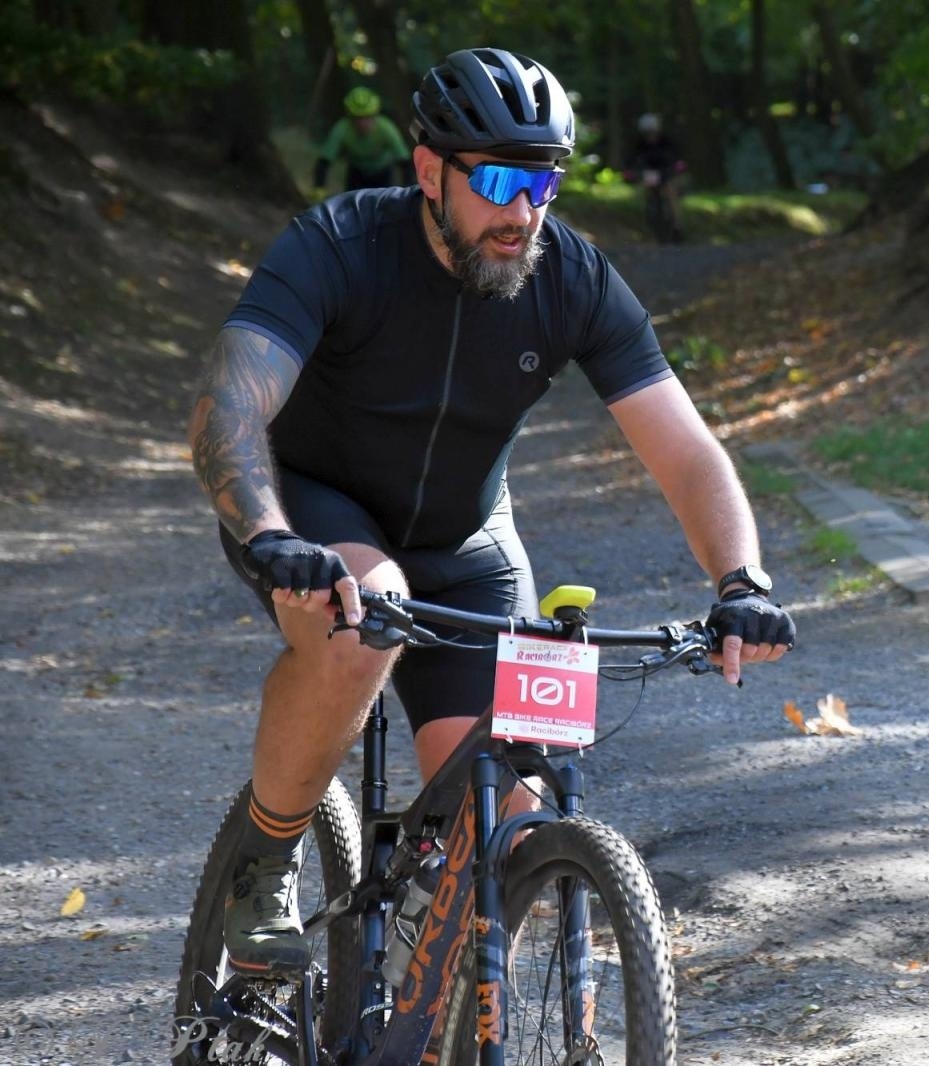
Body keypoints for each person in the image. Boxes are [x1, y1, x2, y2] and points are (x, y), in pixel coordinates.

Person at [186, 47, 796, 976]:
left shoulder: (572, 277)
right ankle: (267, 856)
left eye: (545, 180)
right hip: (317, 510)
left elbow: (685, 449)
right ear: (429, 170)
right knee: (364, 620)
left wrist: (741, 579)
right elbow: (229, 403)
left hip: (468, 538)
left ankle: (426, 982)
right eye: (502, 180)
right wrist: (268, 533)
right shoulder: (339, 247)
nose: (524, 213)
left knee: (514, 821)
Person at [310, 86, 411, 198]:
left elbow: (404, 161)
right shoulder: (342, 128)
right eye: (357, 118)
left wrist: (408, 190)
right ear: (350, 117)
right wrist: (319, 187)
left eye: (367, 117)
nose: (362, 123)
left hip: (383, 173)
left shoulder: (386, 128)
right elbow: (324, 161)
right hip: (356, 173)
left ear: (375, 115)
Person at [624, 112, 686, 242]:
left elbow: (676, 159)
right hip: (648, 176)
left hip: (666, 175)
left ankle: (677, 226)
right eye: (647, 133)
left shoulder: (666, 142)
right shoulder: (639, 145)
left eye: (652, 132)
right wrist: (631, 172)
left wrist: (676, 168)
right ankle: (645, 226)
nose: (650, 135)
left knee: (670, 192)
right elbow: (632, 161)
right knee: (645, 193)